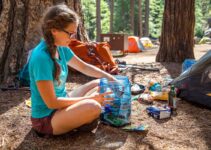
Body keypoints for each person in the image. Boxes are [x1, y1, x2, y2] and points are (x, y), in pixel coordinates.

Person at [29, 4, 116, 136]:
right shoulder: (41, 58)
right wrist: (91, 99)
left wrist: (110, 77)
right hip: (46, 118)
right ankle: (83, 119)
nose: (73, 38)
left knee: (101, 83)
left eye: (74, 33)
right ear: (54, 30)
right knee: (93, 106)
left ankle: (82, 118)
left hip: (62, 103)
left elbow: (84, 67)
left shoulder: (61, 47)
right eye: (70, 33)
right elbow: (52, 103)